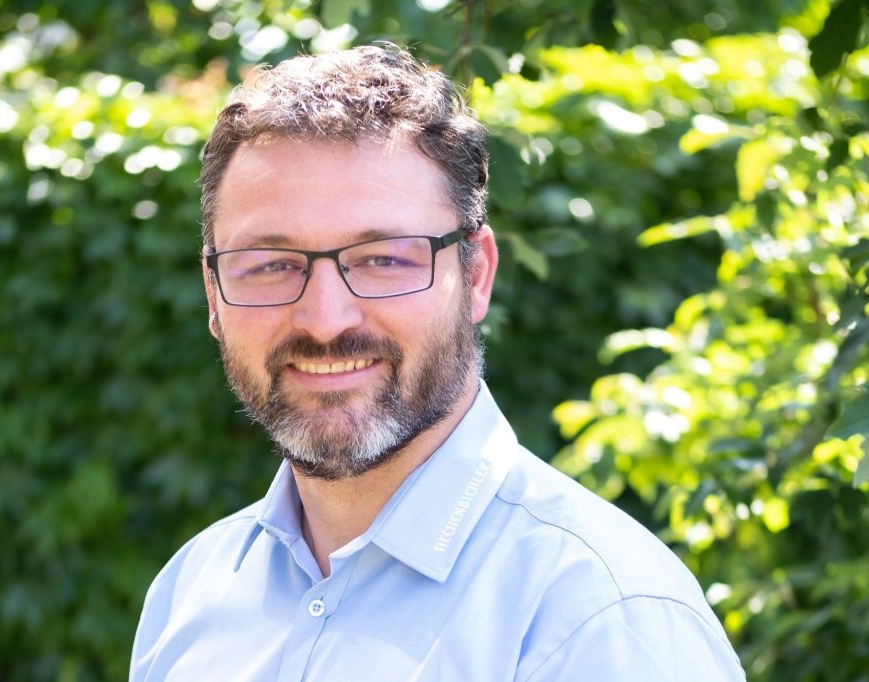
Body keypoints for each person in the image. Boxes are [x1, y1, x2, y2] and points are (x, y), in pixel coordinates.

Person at [130, 45, 745, 681]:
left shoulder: (600, 618)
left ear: (476, 275)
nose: (325, 319)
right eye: (270, 265)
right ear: (213, 295)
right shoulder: (188, 595)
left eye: (383, 259)